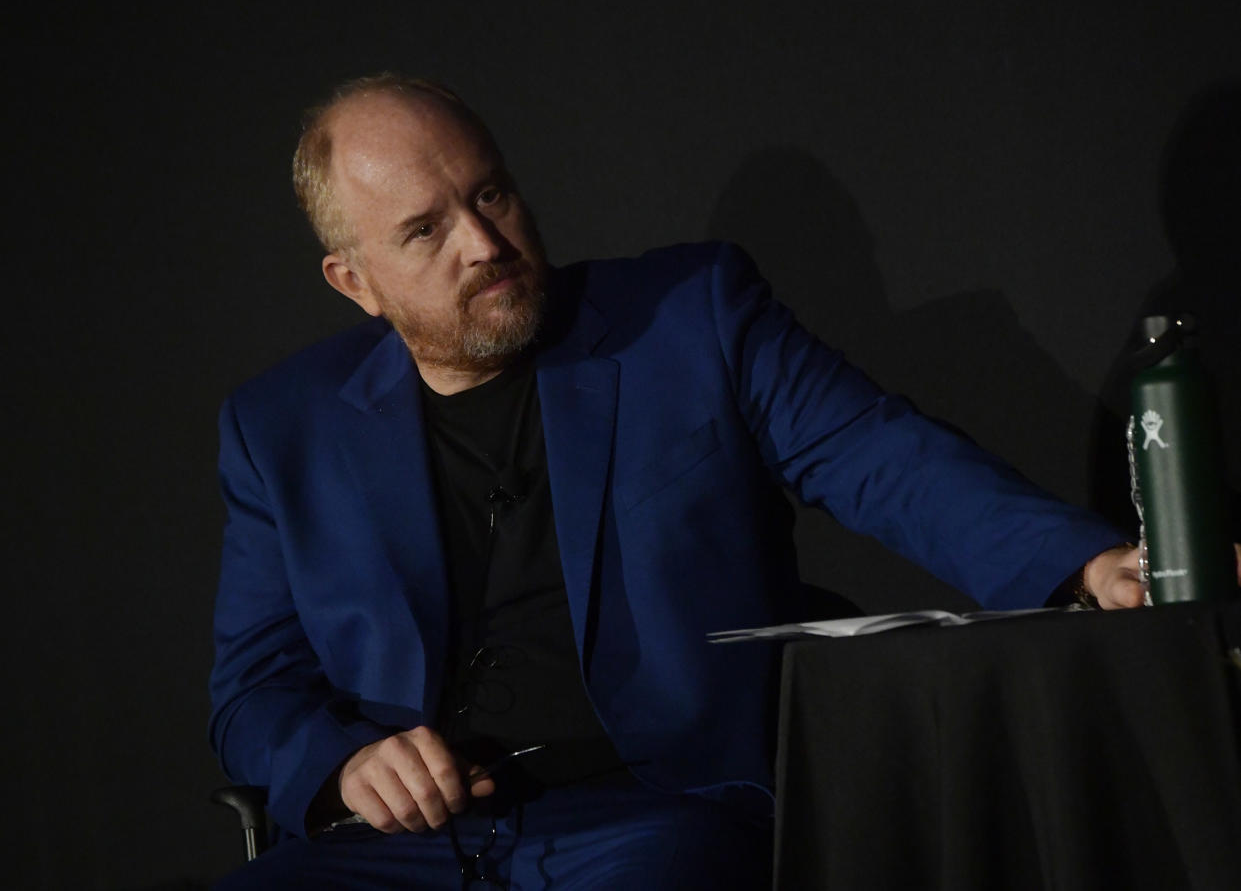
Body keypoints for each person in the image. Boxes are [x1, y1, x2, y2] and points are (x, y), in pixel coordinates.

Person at [209, 73, 1150, 889]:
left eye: (489, 193)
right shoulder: (281, 427)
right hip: (398, 847)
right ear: (354, 280)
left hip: (659, 816)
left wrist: (1084, 562)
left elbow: (876, 455)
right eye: (424, 230)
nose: (483, 242)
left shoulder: (688, 317)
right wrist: (344, 763)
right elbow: (253, 688)